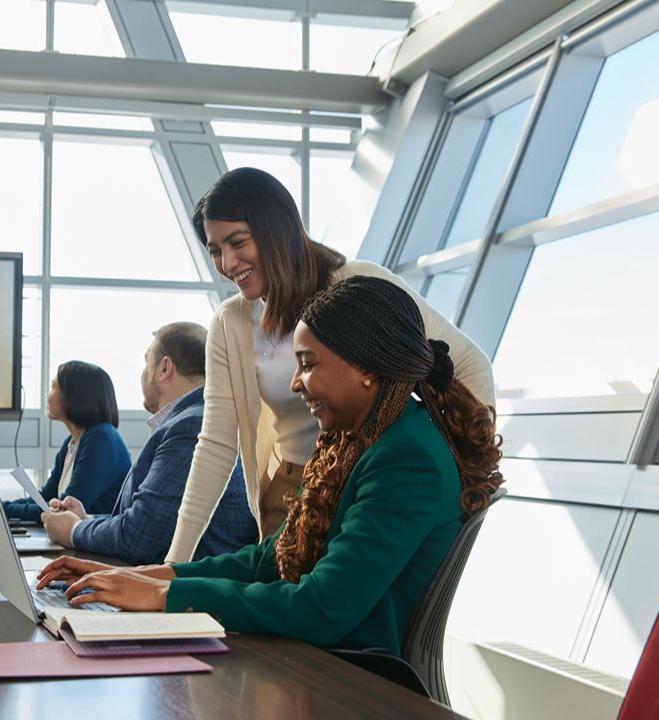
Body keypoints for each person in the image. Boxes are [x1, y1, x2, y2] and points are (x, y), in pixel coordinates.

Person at [37, 276, 504, 654]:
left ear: (366, 367)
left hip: (352, 681)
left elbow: (322, 607)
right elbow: (268, 559)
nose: (296, 383)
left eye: (307, 364)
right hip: (317, 659)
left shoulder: (408, 457)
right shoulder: (354, 441)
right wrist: (148, 578)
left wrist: (164, 598)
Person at [164, 167, 497, 564]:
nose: (227, 262)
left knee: (333, 611)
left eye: (237, 242)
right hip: (292, 490)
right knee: (278, 614)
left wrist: (463, 474)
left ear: (276, 229)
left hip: (372, 483)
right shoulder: (230, 323)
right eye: (215, 250)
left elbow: (469, 365)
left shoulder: (358, 284)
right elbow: (216, 444)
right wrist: (173, 564)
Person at [41, 323, 257, 565]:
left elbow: (138, 537)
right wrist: (87, 519)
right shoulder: (194, 418)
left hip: (186, 596)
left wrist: (74, 531)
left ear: (165, 368)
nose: (143, 373)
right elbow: (150, 520)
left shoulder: (191, 427)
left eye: (147, 362)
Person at [1, 361, 130, 523]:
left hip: (95, 545)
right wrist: (1, 507)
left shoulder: (101, 439)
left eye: (53, 387)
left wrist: (2, 509)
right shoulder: (73, 442)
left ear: (74, 395)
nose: (48, 395)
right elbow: (46, 497)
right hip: (78, 540)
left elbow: (63, 510)